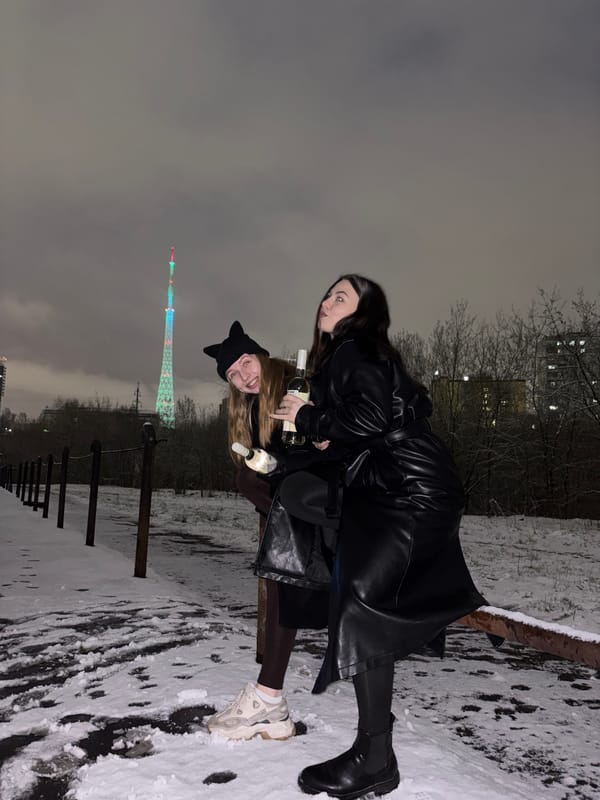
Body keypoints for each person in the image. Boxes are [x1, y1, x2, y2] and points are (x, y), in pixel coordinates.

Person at [266, 275, 487, 799]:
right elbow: (361, 423)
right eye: (324, 295)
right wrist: (317, 431)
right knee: (305, 507)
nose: (325, 302)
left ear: (363, 313)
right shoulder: (343, 358)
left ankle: (374, 757)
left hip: (409, 489)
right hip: (395, 487)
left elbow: (368, 417)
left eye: (339, 297)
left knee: (360, 602)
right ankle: (374, 754)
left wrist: (308, 414)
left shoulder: (356, 346)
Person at [202, 321, 331, 741]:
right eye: (233, 376)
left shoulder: (301, 384)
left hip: (330, 502)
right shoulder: (253, 409)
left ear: (259, 353)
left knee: (283, 572)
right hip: (297, 515)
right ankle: (269, 697)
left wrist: (321, 436)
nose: (243, 376)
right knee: (280, 574)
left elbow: (331, 446)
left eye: (244, 362)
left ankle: (269, 700)